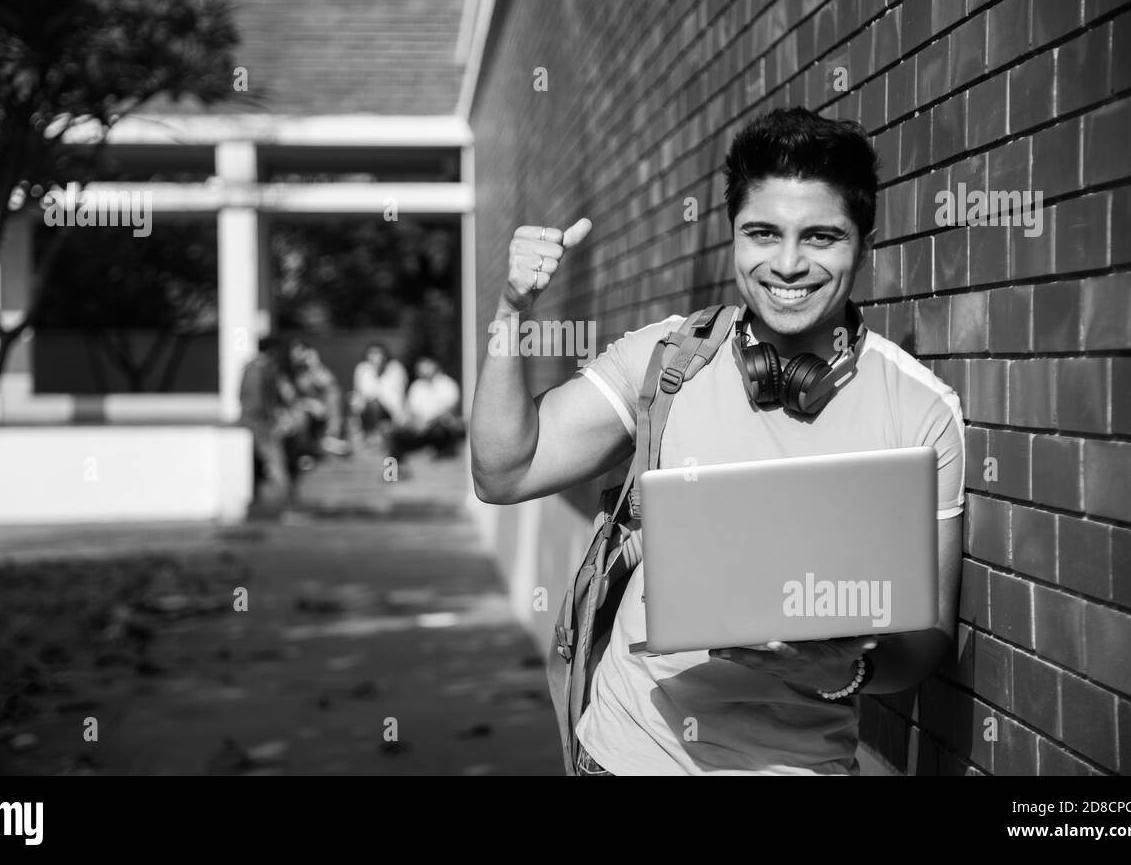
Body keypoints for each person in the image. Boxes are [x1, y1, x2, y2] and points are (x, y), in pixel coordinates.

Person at [469, 107, 965, 775]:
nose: (788, 264)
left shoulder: (922, 409)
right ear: (733, 236)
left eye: (820, 237)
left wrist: (850, 666)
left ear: (865, 245)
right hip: (623, 755)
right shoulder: (668, 361)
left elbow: (926, 641)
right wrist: (511, 309)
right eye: (762, 233)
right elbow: (504, 471)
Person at [238, 336, 297, 517]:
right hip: (260, 425)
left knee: (266, 466)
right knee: (278, 465)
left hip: (251, 422)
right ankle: (287, 508)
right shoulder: (261, 370)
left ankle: (273, 506)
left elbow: (241, 396)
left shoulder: (250, 367)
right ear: (272, 351)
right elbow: (257, 403)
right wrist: (271, 421)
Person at [388, 356, 463, 465]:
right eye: (420, 367)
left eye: (426, 365)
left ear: (435, 365)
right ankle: (393, 471)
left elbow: (448, 411)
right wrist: (415, 423)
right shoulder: (416, 386)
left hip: (439, 428)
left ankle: (440, 452)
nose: (422, 369)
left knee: (440, 431)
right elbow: (411, 410)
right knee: (396, 435)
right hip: (420, 428)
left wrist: (428, 423)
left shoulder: (448, 384)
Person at [288, 338, 352, 463]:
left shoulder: (311, 368)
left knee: (334, 394)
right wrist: (309, 404)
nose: (298, 356)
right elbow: (290, 398)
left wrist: (315, 365)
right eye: (296, 353)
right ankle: (305, 451)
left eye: (302, 352)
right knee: (300, 415)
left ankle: (332, 436)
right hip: (298, 408)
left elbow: (330, 384)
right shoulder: (288, 372)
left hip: (319, 408)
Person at [350, 342, 408, 446]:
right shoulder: (362, 369)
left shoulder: (396, 368)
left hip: (391, 409)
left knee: (374, 403)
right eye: (372, 354)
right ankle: (369, 434)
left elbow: (395, 394)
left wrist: (378, 372)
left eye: (378, 353)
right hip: (367, 409)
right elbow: (359, 392)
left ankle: (376, 435)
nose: (375, 357)